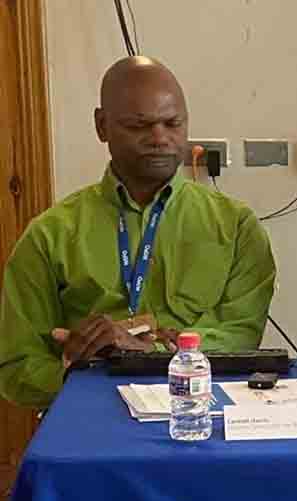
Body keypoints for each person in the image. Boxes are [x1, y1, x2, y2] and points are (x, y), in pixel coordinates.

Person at [0, 56, 277, 408]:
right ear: (102, 126)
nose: (160, 138)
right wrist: (75, 369)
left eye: (172, 123)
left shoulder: (237, 226)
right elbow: (16, 368)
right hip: (92, 416)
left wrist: (150, 351)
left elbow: (240, 334)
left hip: (204, 411)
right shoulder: (49, 235)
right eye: (139, 126)